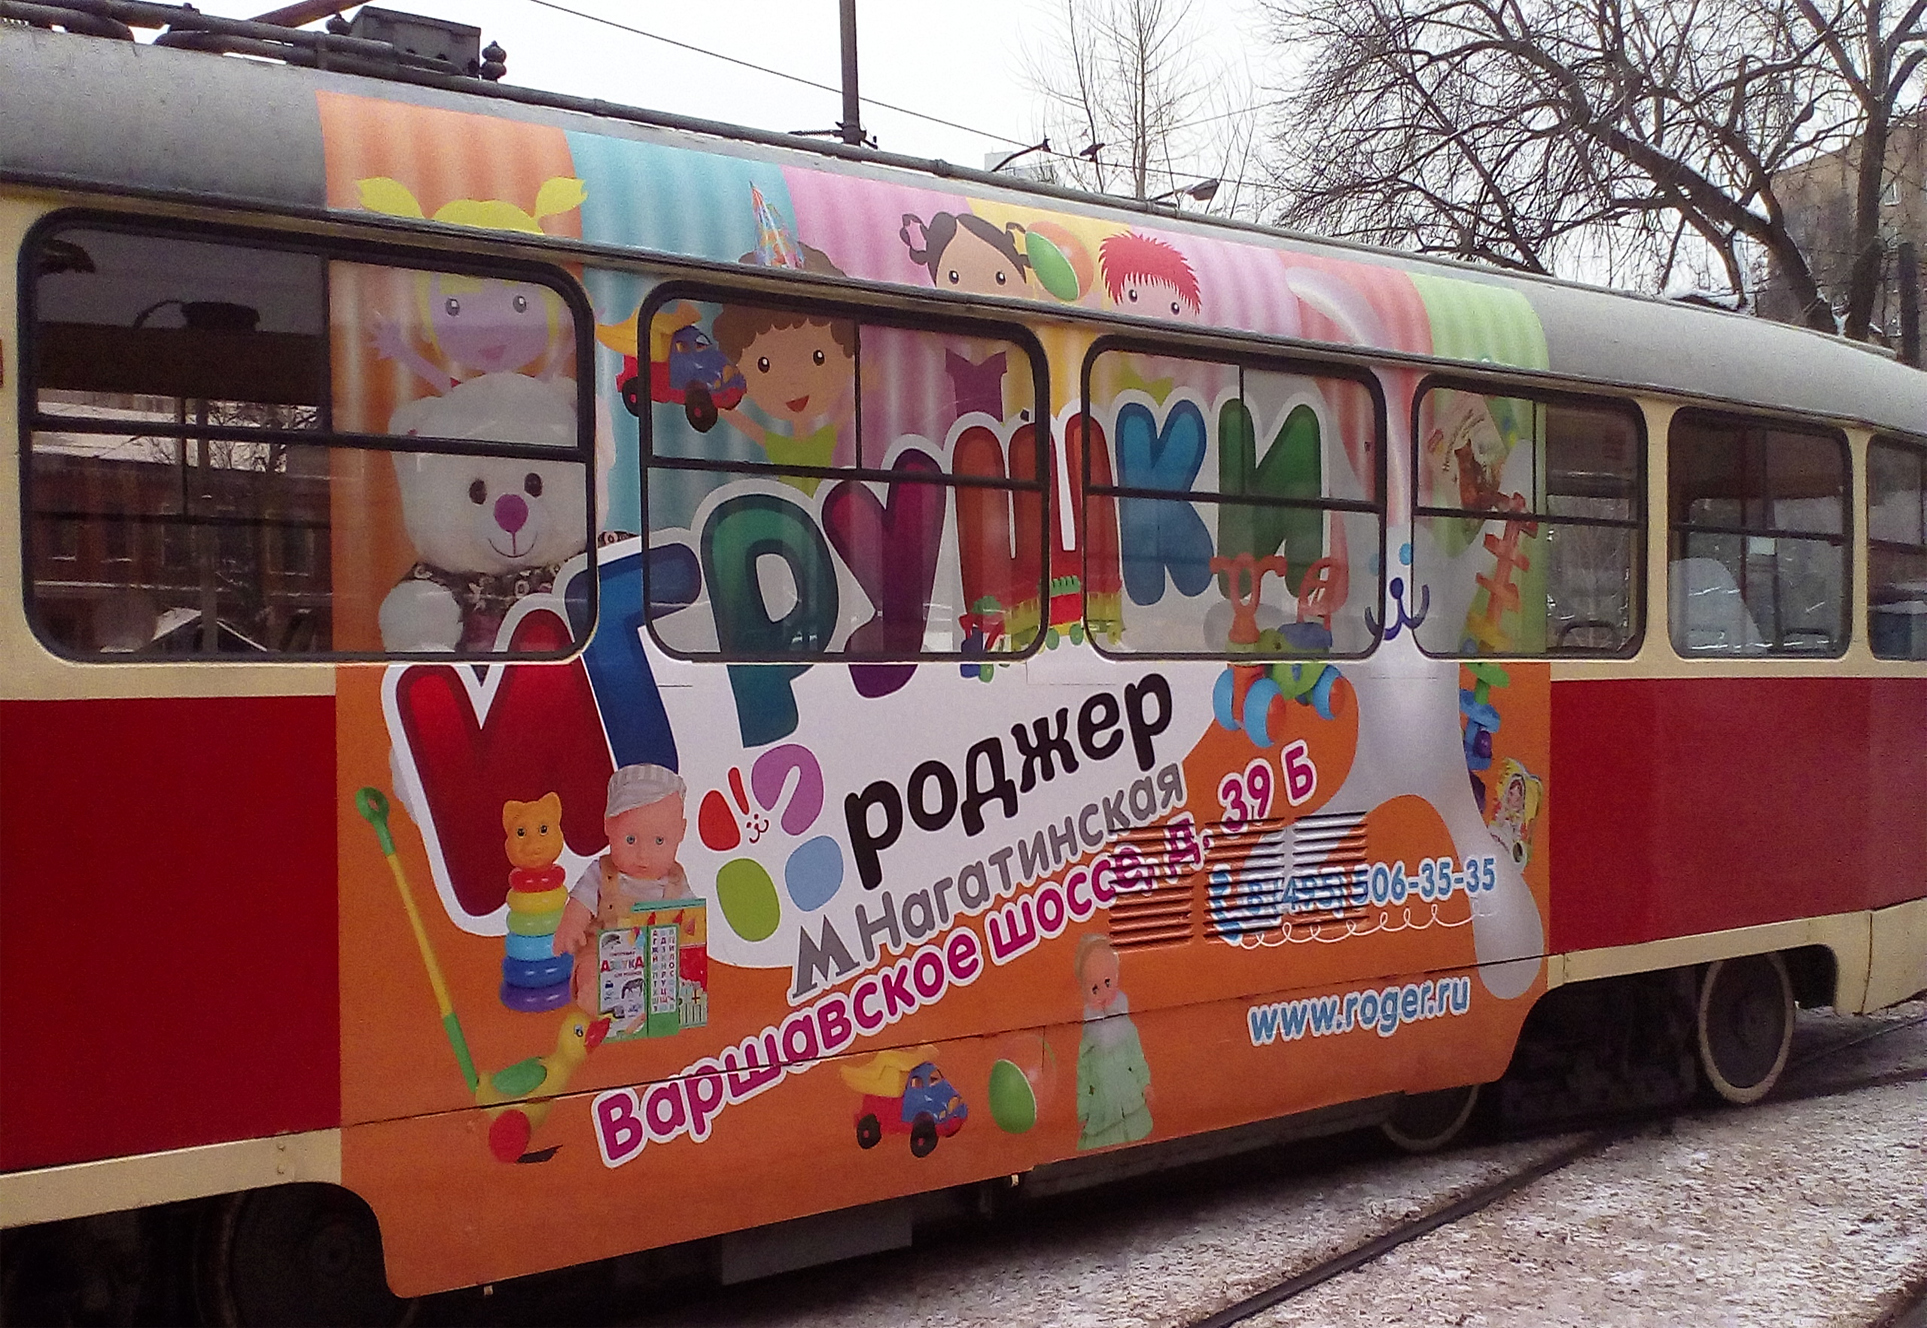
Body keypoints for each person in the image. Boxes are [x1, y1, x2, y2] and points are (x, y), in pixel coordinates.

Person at [554, 764, 690, 1010]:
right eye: (630, 839)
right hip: (603, 951)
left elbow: (692, 919)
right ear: (608, 826)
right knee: (588, 964)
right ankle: (594, 994)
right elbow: (581, 900)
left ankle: (654, 1004)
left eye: (659, 841)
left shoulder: (675, 881)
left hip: (654, 958)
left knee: (676, 971)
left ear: (681, 832)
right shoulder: (602, 872)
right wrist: (572, 923)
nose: (643, 854)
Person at [1073, 934, 1153, 1150]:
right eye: (1095, 989)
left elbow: (1137, 1059)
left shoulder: (1126, 1027)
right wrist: (1083, 1112)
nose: (1103, 994)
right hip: (1103, 1111)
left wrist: (1145, 1084)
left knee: (1138, 1140)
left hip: (1131, 1100)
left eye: (1108, 983)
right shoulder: (1089, 1039)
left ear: (1116, 978)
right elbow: (1083, 1079)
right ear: (1084, 993)